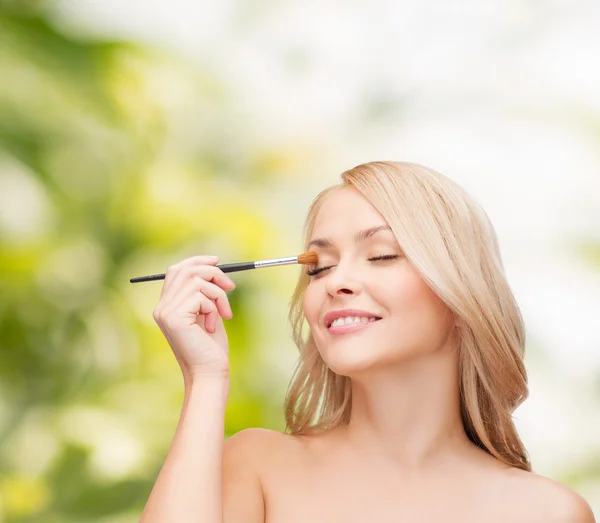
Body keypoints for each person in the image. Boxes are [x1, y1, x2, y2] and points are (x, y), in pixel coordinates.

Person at [139, 161, 596, 522]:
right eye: (319, 266)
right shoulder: (258, 465)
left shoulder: (548, 513)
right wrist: (204, 379)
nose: (337, 281)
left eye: (381, 255)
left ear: (460, 288)